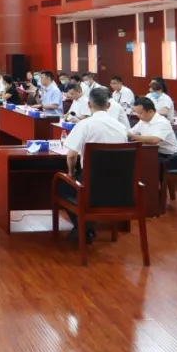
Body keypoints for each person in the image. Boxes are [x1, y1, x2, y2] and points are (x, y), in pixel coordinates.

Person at [58, 88, 131, 244]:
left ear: (89, 105)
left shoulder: (85, 125)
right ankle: (86, 228)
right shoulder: (121, 128)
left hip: (90, 184)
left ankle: (83, 228)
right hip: (119, 186)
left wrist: (71, 174)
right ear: (108, 106)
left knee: (62, 185)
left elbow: (71, 155)